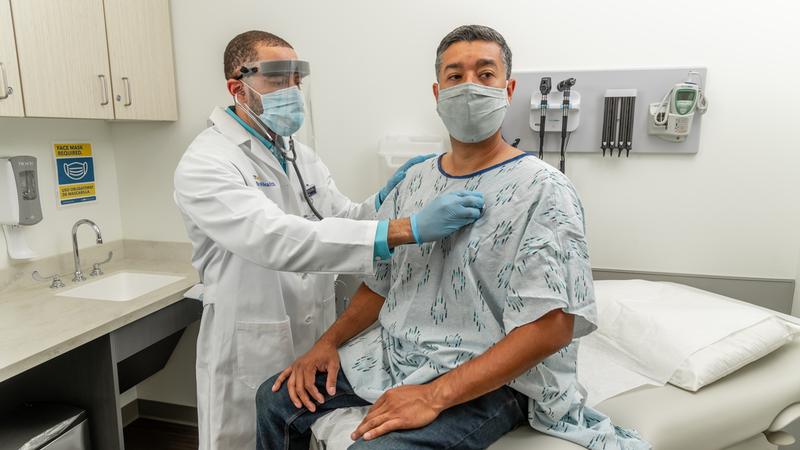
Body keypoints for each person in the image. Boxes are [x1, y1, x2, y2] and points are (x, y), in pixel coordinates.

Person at [255, 25, 651, 450]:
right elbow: (380, 284)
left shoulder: (543, 190)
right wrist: (327, 343)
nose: (469, 88)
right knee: (275, 399)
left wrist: (432, 396)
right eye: (455, 76)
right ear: (437, 91)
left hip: (493, 378)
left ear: (509, 88)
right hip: (397, 354)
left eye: (485, 74)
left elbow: (553, 327)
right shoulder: (414, 180)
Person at [173, 30, 484, 450]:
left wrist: (382, 198)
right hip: (250, 341)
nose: (292, 91)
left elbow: (339, 218)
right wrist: (408, 228)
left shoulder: (297, 154)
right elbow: (278, 239)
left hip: (313, 335)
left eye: (296, 79)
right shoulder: (207, 163)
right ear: (237, 88)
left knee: (302, 430)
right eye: (278, 80)